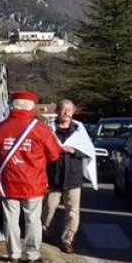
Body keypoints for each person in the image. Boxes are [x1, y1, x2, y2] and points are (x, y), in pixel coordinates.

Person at [0, 91, 64, 263]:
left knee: (10, 219)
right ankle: (32, 254)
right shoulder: (40, 129)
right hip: (33, 182)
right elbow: (54, 154)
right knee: (32, 219)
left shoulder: (0, 127)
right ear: (32, 106)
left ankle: (13, 253)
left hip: (8, 181)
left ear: (13, 105)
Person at [43, 99, 94, 254]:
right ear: (58, 111)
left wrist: (74, 151)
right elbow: (42, 149)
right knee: (49, 208)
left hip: (73, 176)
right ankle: (45, 232)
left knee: (72, 211)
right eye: (63, 109)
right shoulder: (49, 129)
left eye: (69, 110)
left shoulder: (79, 129)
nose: (66, 113)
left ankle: (67, 240)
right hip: (54, 175)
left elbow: (88, 150)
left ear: (73, 112)